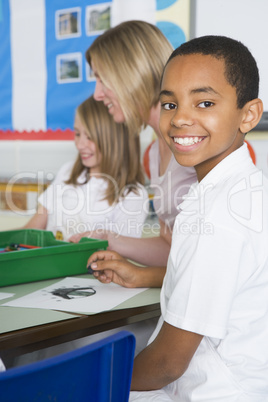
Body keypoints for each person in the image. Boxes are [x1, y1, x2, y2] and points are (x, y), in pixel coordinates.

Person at [87, 35, 268, 401]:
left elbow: (168, 364)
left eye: (204, 102)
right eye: (170, 104)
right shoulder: (237, 188)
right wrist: (145, 274)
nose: (181, 117)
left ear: (248, 115)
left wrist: (95, 384)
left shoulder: (219, 213)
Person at [70, 20, 197, 267]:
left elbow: (207, 259)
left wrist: (138, 276)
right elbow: (171, 248)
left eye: (102, 79)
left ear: (131, 73)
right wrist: (109, 240)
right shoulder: (153, 154)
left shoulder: (192, 139)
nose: (97, 94)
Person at [23, 96, 148, 241]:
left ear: (116, 140)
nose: (80, 145)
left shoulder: (133, 195)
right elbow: (30, 231)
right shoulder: (68, 172)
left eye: (89, 137)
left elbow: (119, 257)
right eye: (77, 134)